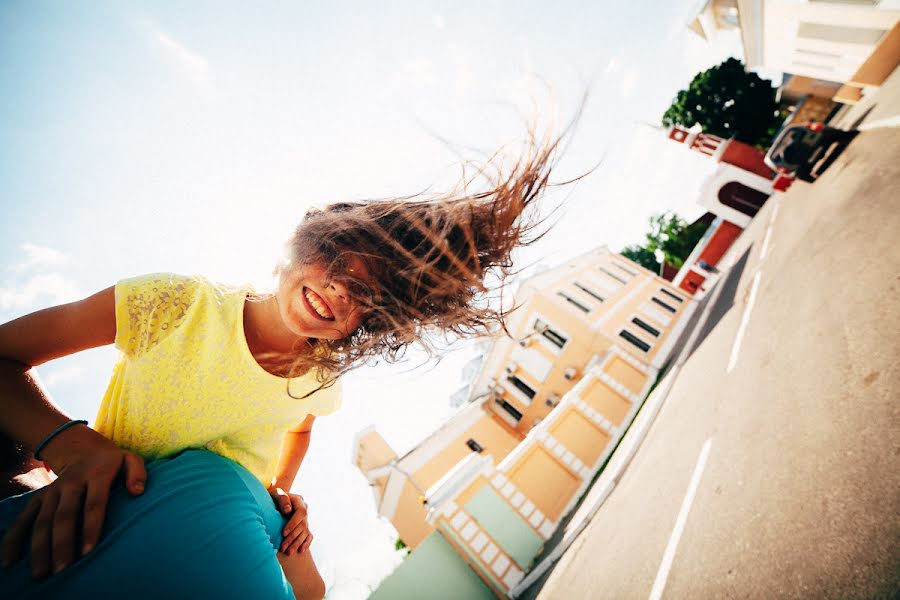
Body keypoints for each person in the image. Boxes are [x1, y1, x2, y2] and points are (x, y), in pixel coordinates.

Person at [0, 127, 566, 597]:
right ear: (305, 235)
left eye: (366, 297)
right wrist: (75, 446)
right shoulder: (170, 305)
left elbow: (298, 430)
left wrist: (280, 492)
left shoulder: (320, 378)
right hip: (129, 510)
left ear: (367, 326)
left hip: (238, 518)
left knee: (312, 589)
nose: (341, 291)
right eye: (340, 259)